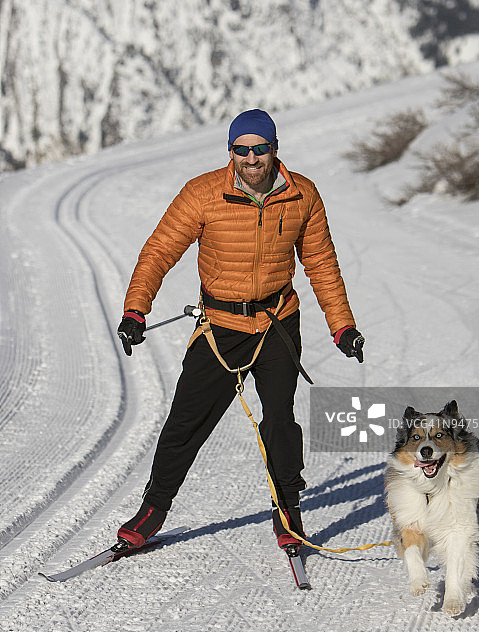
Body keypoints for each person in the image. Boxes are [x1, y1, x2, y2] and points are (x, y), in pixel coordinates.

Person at [116, 108, 364, 552]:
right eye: (241, 149)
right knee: (185, 421)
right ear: (230, 151)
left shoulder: (302, 195)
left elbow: (322, 263)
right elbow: (158, 252)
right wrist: (136, 310)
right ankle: (153, 509)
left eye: (260, 148)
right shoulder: (202, 193)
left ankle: (287, 511)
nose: (251, 158)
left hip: (276, 324)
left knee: (280, 422)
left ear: (274, 148)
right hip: (220, 327)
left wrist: (342, 326)